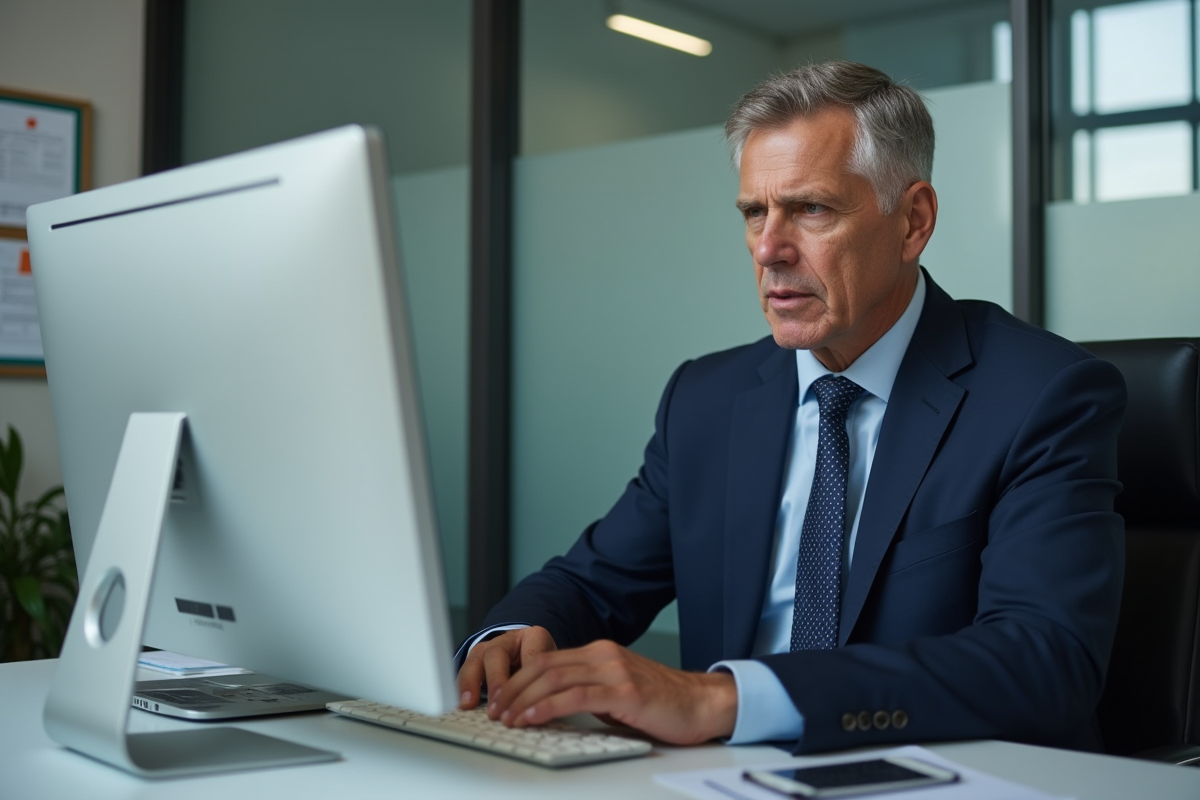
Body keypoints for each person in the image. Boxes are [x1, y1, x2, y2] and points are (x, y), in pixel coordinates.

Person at [456, 61, 1126, 754]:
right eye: (754, 212)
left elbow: (1045, 662)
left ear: (913, 222)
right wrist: (506, 641)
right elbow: (591, 584)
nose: (770, 250)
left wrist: (723, 698)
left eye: (812, 209)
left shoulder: (1041, 395)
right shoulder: (707, 399)